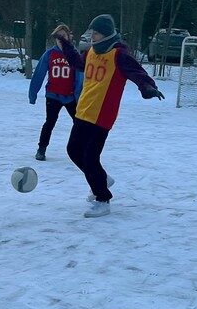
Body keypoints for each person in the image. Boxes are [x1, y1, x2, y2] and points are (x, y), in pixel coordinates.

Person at [56, 14, 164, 218]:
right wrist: (65, 42)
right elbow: (76, 62)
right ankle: (101, 179)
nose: (92, 36)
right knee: (73, 150)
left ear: (105, 34)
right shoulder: (90, 53)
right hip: (84, 110)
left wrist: (148, 87)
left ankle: (102, 198)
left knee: (90, 156)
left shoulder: (118, 55)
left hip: (102, 114)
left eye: (95, 33)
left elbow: (137, 72)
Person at [28, 23, 83, 161]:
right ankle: (41, 149)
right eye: (59, 36)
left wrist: (79, 95)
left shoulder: (74, 55)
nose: (61, 39)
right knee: (50, 122)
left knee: (79, 123)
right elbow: (39, 74)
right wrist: (33, 93)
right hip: (53, 95)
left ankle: (80, 150)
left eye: (64, 36)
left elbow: (80, 77)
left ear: (69, 37)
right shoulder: (49, 54)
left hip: (70, 97)